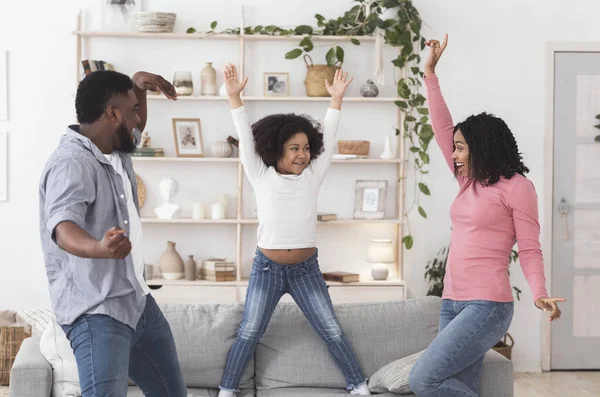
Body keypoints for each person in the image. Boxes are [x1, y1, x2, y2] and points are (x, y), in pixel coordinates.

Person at [408, 34, 566, 397]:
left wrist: (540, 292)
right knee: (460, 387)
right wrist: (430, 73)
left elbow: (529, 248)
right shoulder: (467, 180)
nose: (455, 154)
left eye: (462, 148)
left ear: (482, 148)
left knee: (423, 379)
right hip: (452, 300)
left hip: (488, 305)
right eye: (456, 148)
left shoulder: (517, 187)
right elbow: (442, 126)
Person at [217, 64, 371, 396]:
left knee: (331, 330)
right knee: (249, 332)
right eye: (294, 149)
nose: (302, 155)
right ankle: (227, 390)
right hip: (267, 269)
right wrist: (234, 97)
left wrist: (337, 100)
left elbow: (328, 140)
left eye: (305, 148)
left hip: (306, 270)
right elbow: (244, 138)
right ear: (276, 150)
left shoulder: (312, 176)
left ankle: (359, 386)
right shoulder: (261, 175)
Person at [39, 70, 187, 396]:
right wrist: (99, 248)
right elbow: (62, 228)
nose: (139, 119)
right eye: (133, 109)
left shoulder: (115, 148)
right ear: (112, 114)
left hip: (136, 301)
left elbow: (134, 129)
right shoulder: (72, 162)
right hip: (97, 310)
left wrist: (140, 86)